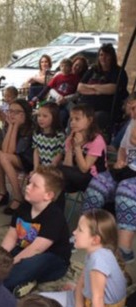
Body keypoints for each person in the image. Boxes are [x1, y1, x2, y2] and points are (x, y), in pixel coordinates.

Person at [82, 93, 136, 264]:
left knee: (126, 190)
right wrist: (121, 160)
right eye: (132, 108)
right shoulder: (132, 123)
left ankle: (124, 250)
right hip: (128, 170)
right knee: (98, 183)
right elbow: (123, 148)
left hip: (131, 179)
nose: (132, 113)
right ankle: (88, 232)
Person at [1, 166, 71, 297]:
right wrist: (0, 256)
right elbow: (11, 235)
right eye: (29, 182)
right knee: (4, 257)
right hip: (25, 249)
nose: (28, 187)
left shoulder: (54, 216)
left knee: (28, 264)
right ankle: (26, 281)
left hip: (53, 259)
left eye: (34, 186)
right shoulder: (24, 207)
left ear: (48, 195)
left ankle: (0, 285)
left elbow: (37, 249)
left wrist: (9, 264)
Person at [40, 209, 127, 307]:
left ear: (95, 240)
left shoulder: (98, 262)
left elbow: (98, 299)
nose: (74, 232)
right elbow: (81, 283)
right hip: (85, 300)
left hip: (98, 304)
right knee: (38, 300)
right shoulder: (94, 253)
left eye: (80, 230)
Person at [0, 99, 34, 214]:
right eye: (10, 111)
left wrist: (15, 127)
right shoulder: (9, 124)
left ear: (25, 113)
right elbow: (5, 150)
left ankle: (18, 196)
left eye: (17, 112)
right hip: (16, 158)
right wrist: (11, 126)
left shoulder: (30, 128)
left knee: (3, 157)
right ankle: (2, 192)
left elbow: (13, 151)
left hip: (30, 161)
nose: (12, 114)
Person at [77, 43, 129, 141]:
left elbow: (113, 88)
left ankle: (87, 145)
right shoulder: (93, 70)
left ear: (112, 57)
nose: (103, 58)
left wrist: (90, 88)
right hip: (85, 106)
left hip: (105, 110)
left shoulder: (118, 72)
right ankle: (71, 144)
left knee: (94, 119)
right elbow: (80, 87)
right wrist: (98, 90)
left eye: (107, 55)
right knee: (75, 116)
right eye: (101, 55)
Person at [59, 104, 107, 194]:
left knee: (56, 173)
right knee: (55, 180)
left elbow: (84, 169)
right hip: (75, 176)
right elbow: (67, 166)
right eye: (71, 119)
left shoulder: (97, 140)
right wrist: (70, 147)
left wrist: (77, 147)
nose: (72, 122)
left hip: (93, 179)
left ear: (89, 120)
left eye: (77, 119)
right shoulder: (71, 138)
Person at [31, 59, 80, 127]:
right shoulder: (58, 76)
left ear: (71, 67)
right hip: (56, 98)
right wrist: (38, 97)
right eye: (62, 66)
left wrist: (66, 99)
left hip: (67, 100)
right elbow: (48, 87)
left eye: (66, 66)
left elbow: (77, 92)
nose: (64, 68)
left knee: (74, 111)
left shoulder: (75, 78)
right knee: (45, 107)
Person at [32, 103, 65, 172]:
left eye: (45, 116)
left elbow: (59, 154)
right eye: (39, 116)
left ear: (54, 117)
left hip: (54, 170)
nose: (40, 119)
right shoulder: (37, 133)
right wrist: (36, 168)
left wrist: (49, 170)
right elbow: (36, 151)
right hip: (41, 168)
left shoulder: (59, 136)